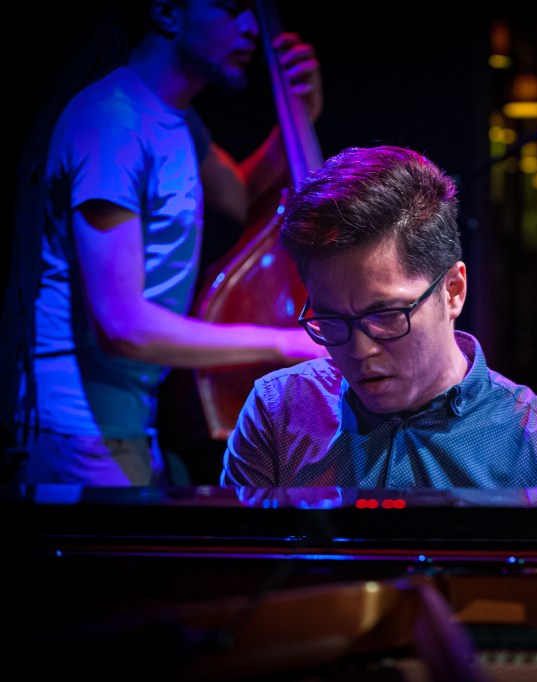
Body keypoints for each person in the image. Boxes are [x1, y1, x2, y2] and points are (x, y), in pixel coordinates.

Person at [13, 0, 329, 486]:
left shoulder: (177, 120)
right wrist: (289, 343)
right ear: (165, 12)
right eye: (230, 7)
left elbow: (238, 194)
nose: (251, 26)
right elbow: (122, 326)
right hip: (78, 428)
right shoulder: (114, 123)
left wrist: (299, 113)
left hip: (125, 422)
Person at [221, 145, 537, 488]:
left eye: (385, 314)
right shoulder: (278, 412)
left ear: (453, 290)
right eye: (331, 319)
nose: (359, 350)